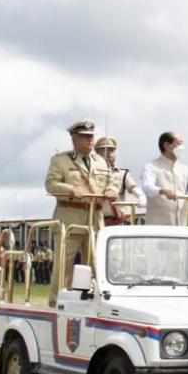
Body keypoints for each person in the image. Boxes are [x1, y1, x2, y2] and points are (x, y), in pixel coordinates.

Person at [44, 120, 117, 302]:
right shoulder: (60, 160)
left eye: (91, 137)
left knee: (96, 263)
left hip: (95, 218)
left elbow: (112, 181)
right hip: (70, 217)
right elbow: (50, 184)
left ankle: (91, 300)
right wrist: (70, 190)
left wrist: (112, 190)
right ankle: (57, 301)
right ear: (74, 139)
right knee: (64, 264)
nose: (90, 141)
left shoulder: (101, 162)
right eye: (85, 137)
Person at [141, 131, 188, 226]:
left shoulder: (186, 169)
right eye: (179, 144)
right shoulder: (151, 166)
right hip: (157, 228)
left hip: (181, 227)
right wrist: (162, 191)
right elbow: (147, 187)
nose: (182, 147)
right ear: (167, 146)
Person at [94, 136, 146, 225]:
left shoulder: (121, 173)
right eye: (104, 150)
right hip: (95, 218)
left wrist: (141, 195)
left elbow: (133, 187)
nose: (108, 153)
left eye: (112, 150)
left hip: (116, 220)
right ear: (97, 152)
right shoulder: (92, 172)